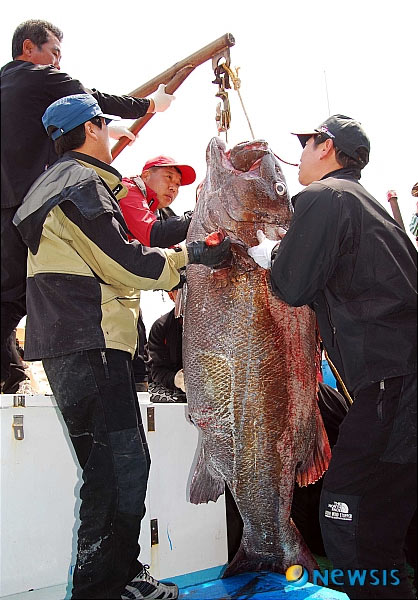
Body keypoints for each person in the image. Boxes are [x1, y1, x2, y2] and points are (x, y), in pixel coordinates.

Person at [13, 93, 231, 600]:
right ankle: (103, 588)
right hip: (90, 342)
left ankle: (117, 577)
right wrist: (194, 255)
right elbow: (128, 263)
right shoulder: (82, 184)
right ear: (92, 129)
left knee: (115, 468)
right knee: (117, 469)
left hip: (77, 343)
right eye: (105, 127)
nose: (112, 135)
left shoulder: (56, 183)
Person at [248, 114, 417, 599]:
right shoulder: (368, 206)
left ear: (326, 147)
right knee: (382, 525)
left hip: (392, 382)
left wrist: (266, 256)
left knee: (348, 516)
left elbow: (291, 286)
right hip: (401, 381)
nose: (299, 154)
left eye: (305, 143)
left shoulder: (325, 197)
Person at [1, 19, 175, 390]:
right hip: (34, 211)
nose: (58, 64)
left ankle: (9, 374)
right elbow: (87, 96)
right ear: (29, 48)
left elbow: (34, 136)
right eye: (55, 53)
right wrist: (148, 105)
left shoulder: (9, 89)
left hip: (10, 211)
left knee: (10, 297)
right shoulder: (38, 77)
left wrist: (103, 130)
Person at [119, 156, 196, 391]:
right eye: (169, 177)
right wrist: (200, 215)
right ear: (145, 176)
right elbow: (153, 234)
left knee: (135, 343)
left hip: (124, 292)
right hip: (102, 292)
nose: (174, 187)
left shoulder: (154, 209)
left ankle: (136, 392)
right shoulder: (128, 191)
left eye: (178, 184)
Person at [147, 289, 186, 403]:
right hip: (174, 390)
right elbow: (156, 370)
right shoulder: (160, 327)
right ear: (171, 295)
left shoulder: (216, 324)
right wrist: (175, 380)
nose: (186, 295)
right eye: (180, 290)